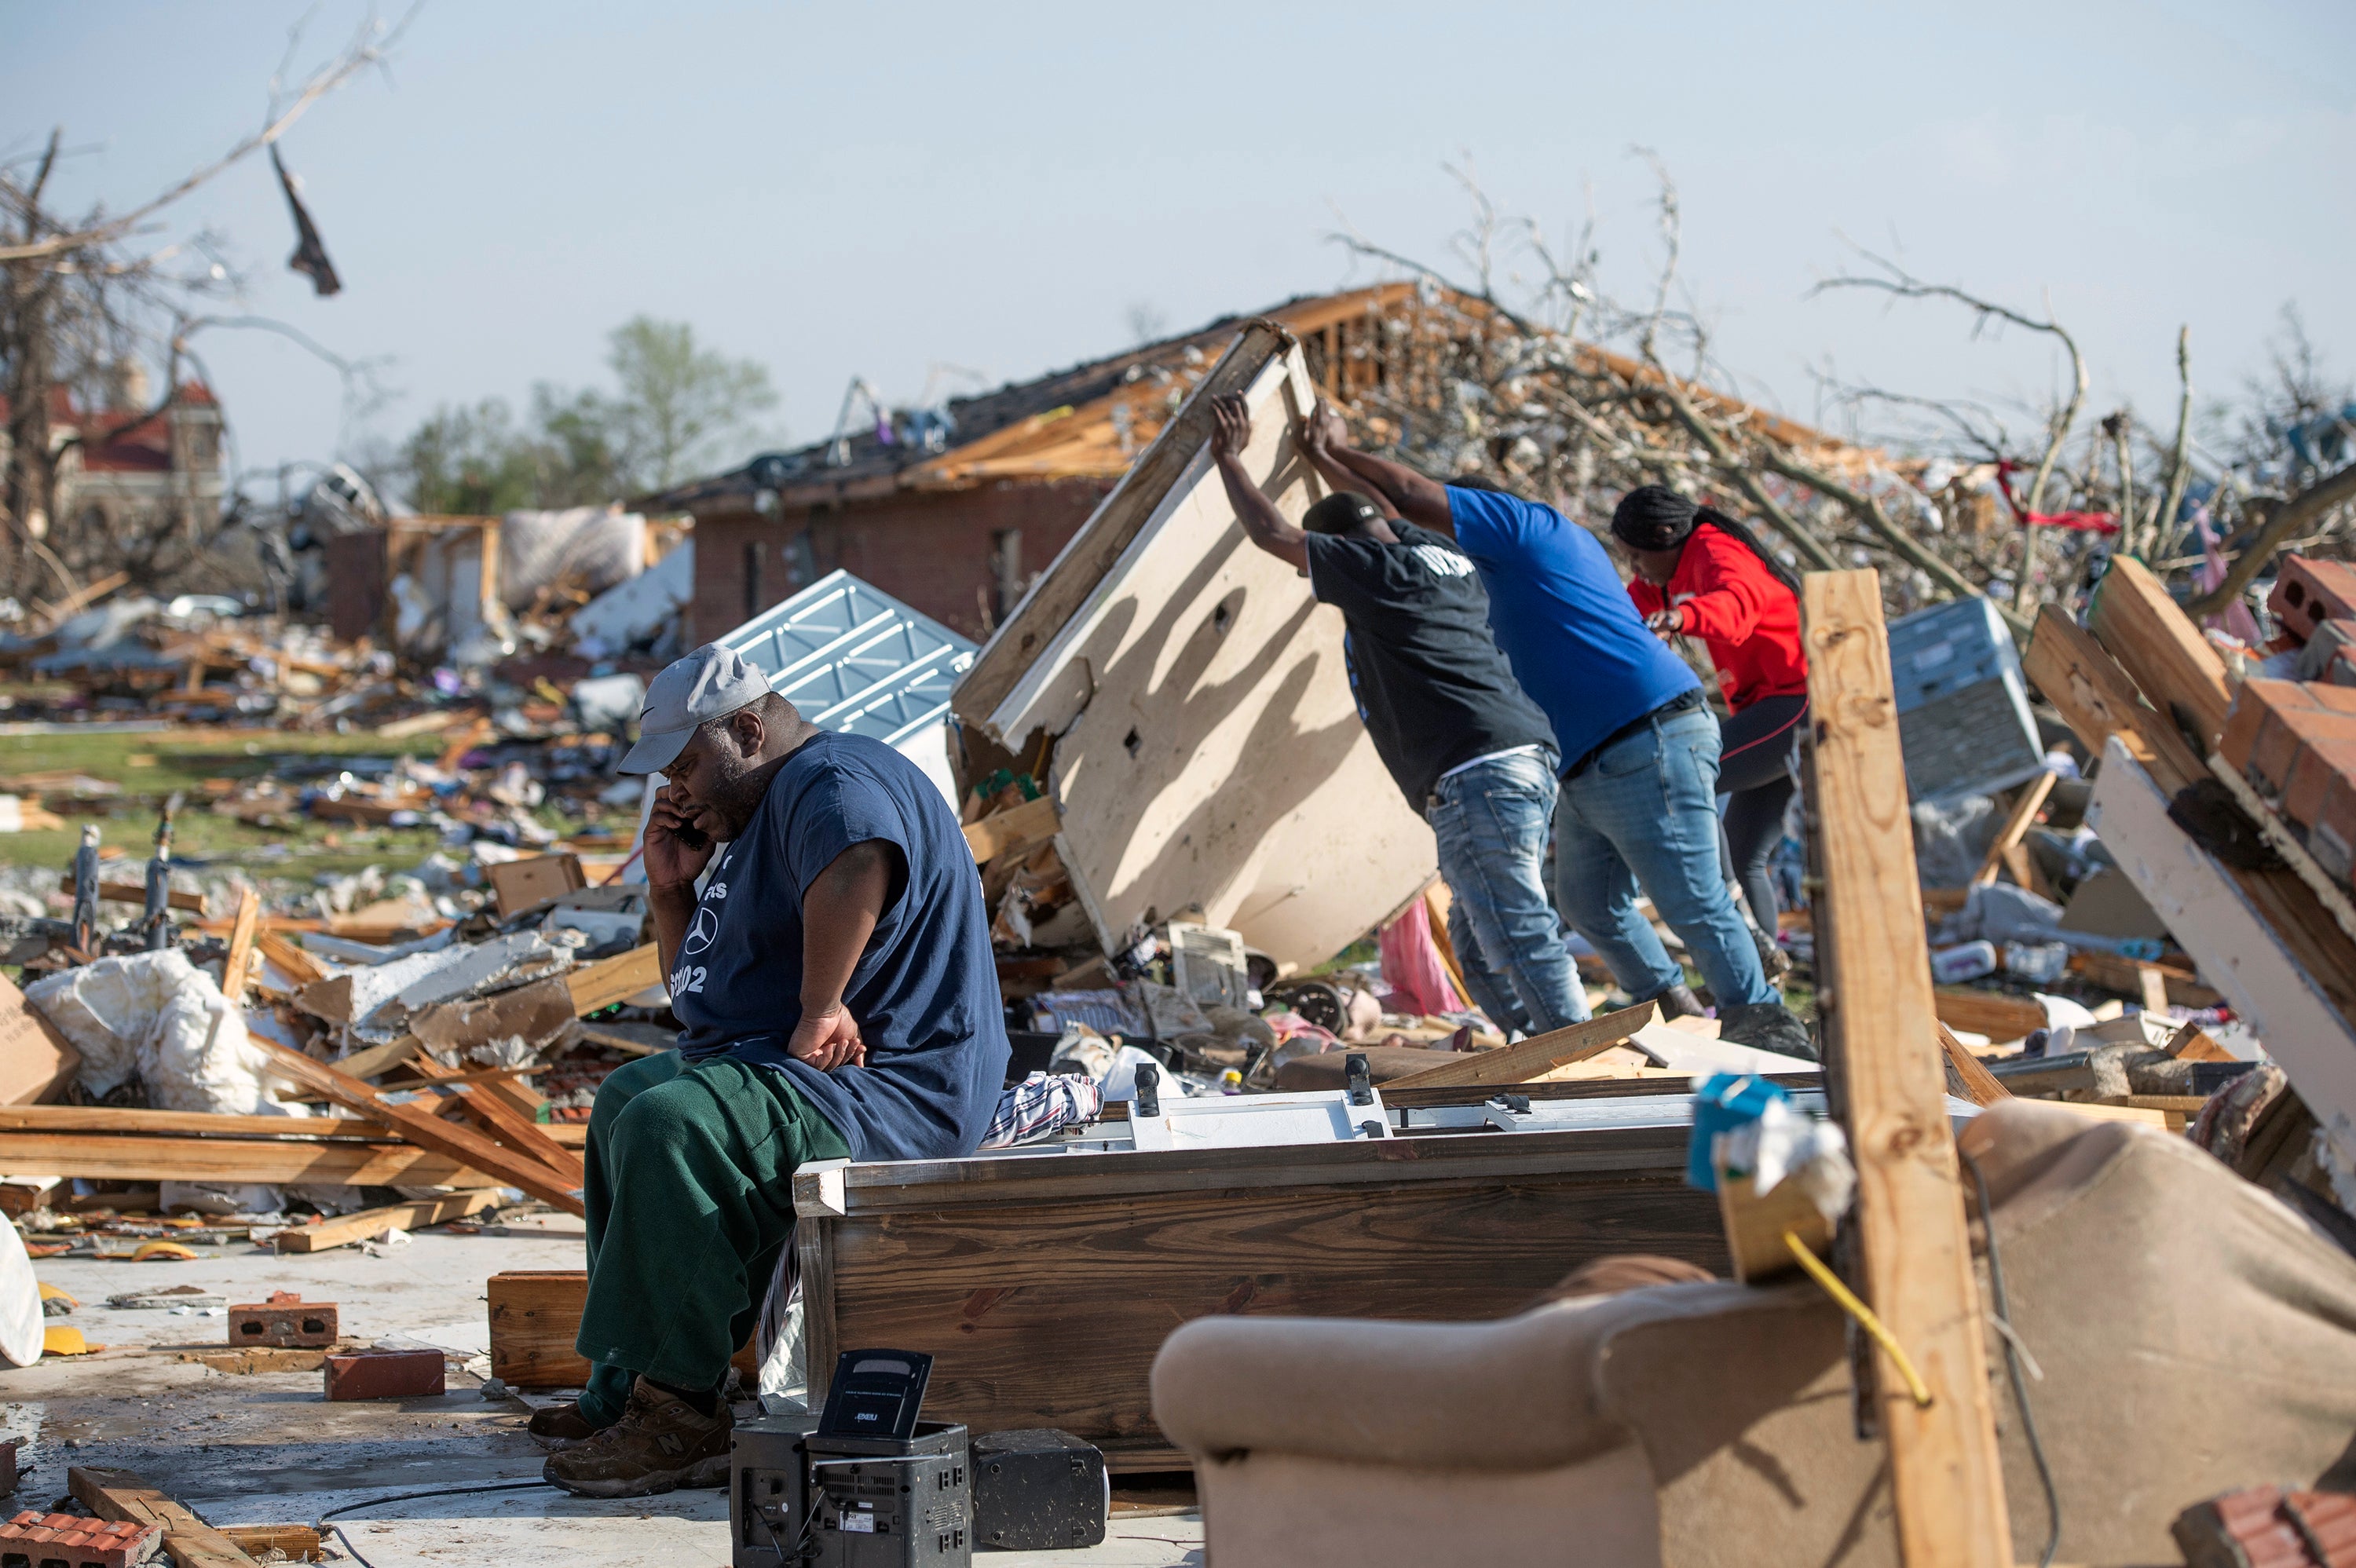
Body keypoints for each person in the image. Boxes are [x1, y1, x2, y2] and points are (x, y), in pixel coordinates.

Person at [532, 644, 1009, 1498]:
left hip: (888, 1086)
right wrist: (670, 893)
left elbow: (861, 857)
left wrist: (823, 1003)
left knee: (671, 1125)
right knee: (626, 1098)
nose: (674, 790)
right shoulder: (749, 819)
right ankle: (625, 1386)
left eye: (686, 764)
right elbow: (698, 1004)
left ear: (749, 730)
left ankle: (680, 1411)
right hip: (803, 1069)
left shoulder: (826, 780)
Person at [1293, 404, 1812, 1058]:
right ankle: (1671, 1008)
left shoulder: (1525, 525)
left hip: (1645, 735)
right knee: (1590, 904)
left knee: (1689, 893)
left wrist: (1338, 452)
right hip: (1588, 760)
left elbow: (1405, 497)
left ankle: (1762, 1021)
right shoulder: (1484, 571)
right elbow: (1392, 521)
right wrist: (1325, 470)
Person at [1206, 393, 1588, 1036]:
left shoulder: (1375, 571)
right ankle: (1531, 1043)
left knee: (1514, 927)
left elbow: (1273, 534)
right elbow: (1382, 507)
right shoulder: (1437, 555)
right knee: (1474, 938)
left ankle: (1574, 1053)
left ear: (1341, 551)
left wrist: (1229, 459)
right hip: (1522, 755)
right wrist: (1324, 454)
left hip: (1477, 768)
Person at [1612, 484, 1809, 970]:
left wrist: (1682, 616)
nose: (1634, 568)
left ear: (1664, 537)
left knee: (1694, 772)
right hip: (1763, 708)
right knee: (1745, 853)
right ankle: (1768, 982)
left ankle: (1731, 907)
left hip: (1799, 698)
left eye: (1636, 556)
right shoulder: (1662, 577)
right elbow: (1620, 617)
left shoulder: (1716, 550)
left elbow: (1739, 605)